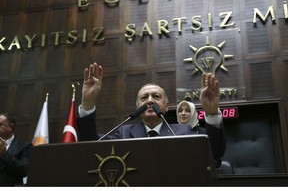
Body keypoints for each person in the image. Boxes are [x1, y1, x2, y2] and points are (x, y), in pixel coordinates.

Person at [77, 62, 226, 167]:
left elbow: (214, 153)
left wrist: (211, 112)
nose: (149, 101)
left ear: (166, 107)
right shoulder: (123, 133)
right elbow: (90, 146)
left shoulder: (183, 132)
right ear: (137, 106)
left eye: (156, 96)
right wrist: (88, 103)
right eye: (144, 97)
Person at [0, 113, 32, 186]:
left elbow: (24, 170)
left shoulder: (25, 146)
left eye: (0, 125)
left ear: (11, 126)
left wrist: (4, 155)